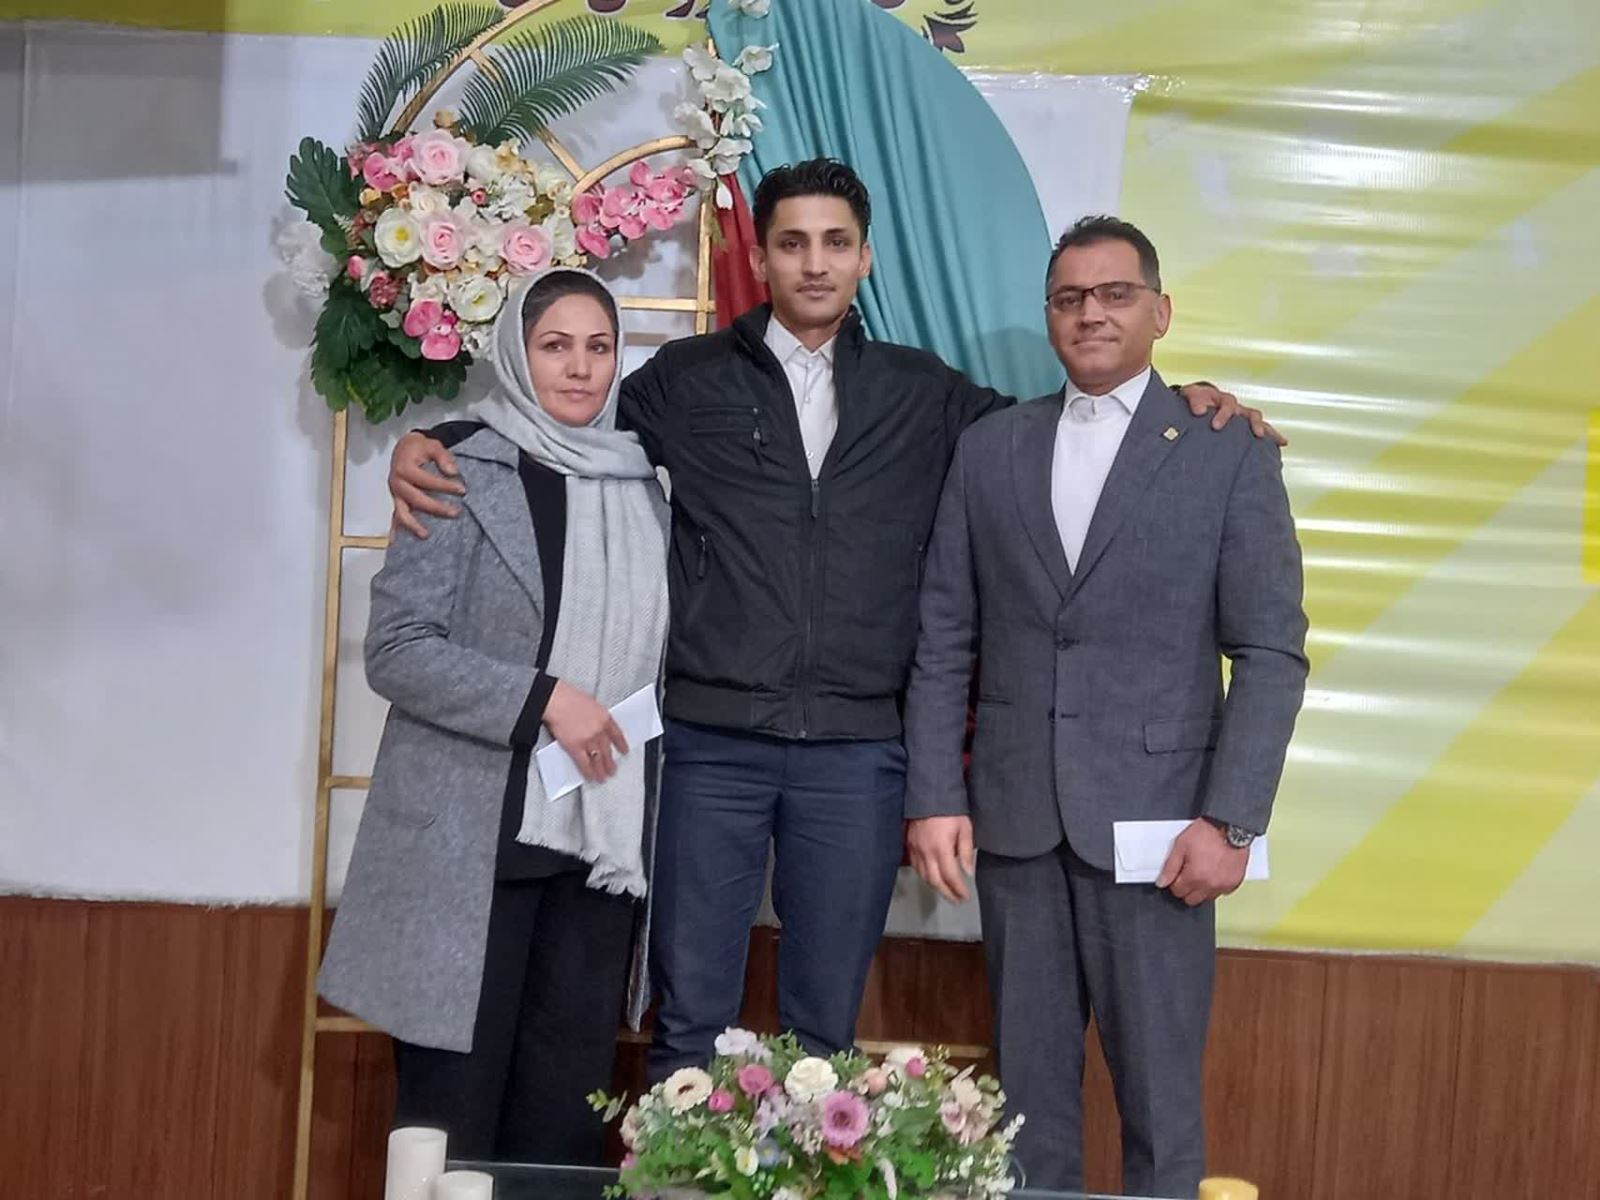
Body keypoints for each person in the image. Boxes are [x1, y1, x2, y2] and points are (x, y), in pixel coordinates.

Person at [385, 160, 1277, 1082]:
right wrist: (434, 442)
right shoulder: (685, 380)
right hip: (708, 749)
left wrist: (1189, 404)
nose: (815, 263)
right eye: (793, 243)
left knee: (823, 1035)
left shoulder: (923, 391)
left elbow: (1072, 433)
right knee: (689, 1023)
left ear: (865, 259)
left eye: (836, 243)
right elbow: (561, 428)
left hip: (858, 760)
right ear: (760, 258)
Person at [902, 216, 1309, 1196]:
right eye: (1070, 298)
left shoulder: (1226, 450)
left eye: (1115, 294)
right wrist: (934, 794)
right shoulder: (989, 448)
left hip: (1165, 835)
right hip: (1016, 829)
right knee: (1025, 1108)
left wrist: (1231, 822)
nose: (1091, 313)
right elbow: (945, 636)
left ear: (1160, 312)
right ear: (1049, 316)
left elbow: (1269, 652)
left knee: (1161, 1107)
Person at [318, 268, 670, 1163]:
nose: (580, 368)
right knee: (452, 1124)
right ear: (517, 354)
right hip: (470, 851)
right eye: (556, 346)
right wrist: (545, 698)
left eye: (599, 348)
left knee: (561, 1131)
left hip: (596, 858)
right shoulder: (459, 466)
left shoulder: (648, 488)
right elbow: (399, 649)